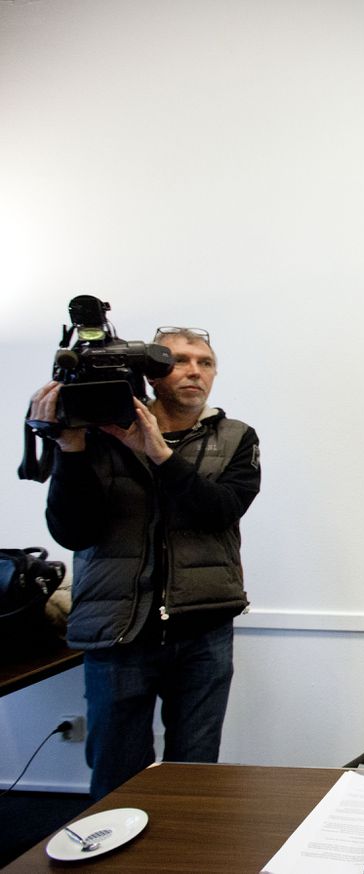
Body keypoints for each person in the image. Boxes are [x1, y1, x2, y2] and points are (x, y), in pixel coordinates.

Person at [27, 327, 260, 799]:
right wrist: (69, 448)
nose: (194, 371)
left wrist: (158, 452)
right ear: (151, 372)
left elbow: (219, 511)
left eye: (205, 362)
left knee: (193, 773)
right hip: (117, 630)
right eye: (178, 360)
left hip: (203, 627)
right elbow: (73, 531)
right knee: (116, 774)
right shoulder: (96, 434)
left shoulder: (235, 437)